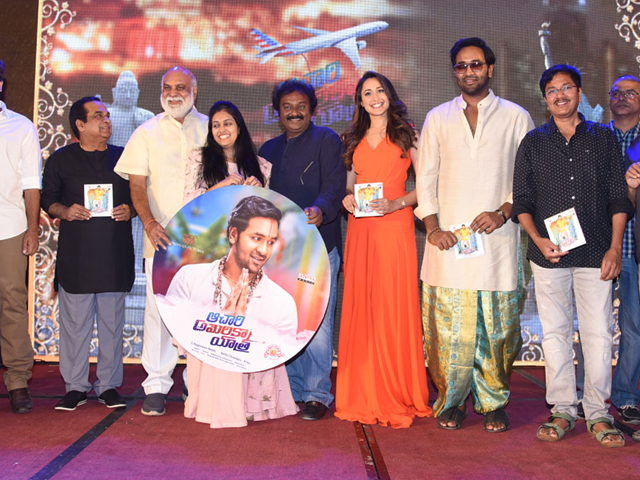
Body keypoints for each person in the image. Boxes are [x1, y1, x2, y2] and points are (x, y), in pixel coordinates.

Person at [416, 38, 534, 432]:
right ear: (455, 71)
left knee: (497, 329)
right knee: (448, 329)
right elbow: (425, 177)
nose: (469, 72)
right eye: (462, 66)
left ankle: (493, 401)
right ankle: (451, 401)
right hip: (448, 243)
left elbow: (527, 178)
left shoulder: (516, 116)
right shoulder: (438, 117)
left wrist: (503, 212)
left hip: (498, 241)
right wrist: (432, 228)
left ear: (490, 69)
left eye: (476, 64)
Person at [513, 64, 633, 448]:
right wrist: (538, 239)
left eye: (567, 88)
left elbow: (619, 197)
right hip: (548, 256)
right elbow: (522, 202)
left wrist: (614, 248)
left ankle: (598, 413)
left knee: (598, 336)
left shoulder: (603, 138)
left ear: (579, 93)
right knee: (556, 334)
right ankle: (563, 409)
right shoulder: (533, 142)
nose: (560, 95)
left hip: (597, 252)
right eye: (552, 90)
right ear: (545, 98)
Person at [337, 71, 431, 428]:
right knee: (364, 303)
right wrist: (347, 198)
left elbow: (426, 186)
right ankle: (362, 388)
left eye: (379, 91)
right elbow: (350, 184)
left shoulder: (408, 134)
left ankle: (395, 388)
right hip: (361, 229)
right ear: (360, 101)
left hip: (394, 226)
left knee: (391, 304)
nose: (374, 97)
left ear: (389, 95)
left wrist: (396, 203)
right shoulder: (353, 138)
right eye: (367, 93)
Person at [114, 66, 208, 416]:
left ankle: (197, 382)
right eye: (167, 87)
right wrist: (150, 223)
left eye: (181, 87)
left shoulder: (212, 127)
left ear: (194, 91)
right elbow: (136, 185)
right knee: (159, 311)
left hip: (205, 240)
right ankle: (156, 383)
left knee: (201, 309)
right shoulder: (146, 132)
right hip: (161, 237)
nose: (173, 93)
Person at [163, 196, 299, 428]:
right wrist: (219, 322)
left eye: (270, 242)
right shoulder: (190, 278)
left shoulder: (283, 302)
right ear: (233, 234)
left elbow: (275, 352)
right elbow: (179, 331)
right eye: (256, 238)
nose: (263, 250)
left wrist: (244, 326)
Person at [259, 80, 346, 421]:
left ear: (312, 110)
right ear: (277, 112)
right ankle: (293, 388)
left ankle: (316, 393)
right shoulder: (268, 149)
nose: (294, 112)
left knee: (317, 321)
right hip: (279, 251)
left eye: (301, 106)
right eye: (287, 107)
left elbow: (335, 185)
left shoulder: (327, 140)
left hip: (319, 245)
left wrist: (320, 208)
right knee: (286, 319)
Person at [41, 97, 135, 410]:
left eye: (107, 115)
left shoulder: (124, 158)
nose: (106, 120)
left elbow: (141, 197)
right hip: (76, 258)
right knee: (74, 327)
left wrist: (131, 210)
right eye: (98, 116)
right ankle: (76, 386)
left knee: (112, 326)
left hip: (114, 256)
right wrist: (65, 211)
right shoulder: (60, 160)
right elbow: (48, 200)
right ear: (80, 125)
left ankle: (108, 386)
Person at [0, 58, 41, 413]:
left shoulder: (20, 127)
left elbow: (31, 184)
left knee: (12, 301)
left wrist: (33, 228)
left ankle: (17, 380)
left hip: (9, 227)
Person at [608, 76, 640, 425]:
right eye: (616, 93)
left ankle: (627, 397)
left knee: (635, 327)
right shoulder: (596, 137)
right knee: (595, 327)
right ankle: (587, 394)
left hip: (635, 250)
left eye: (631, 93)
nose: (622, 97)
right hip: (600, 249)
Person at [183, 101, 271, 203]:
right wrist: (222, 186)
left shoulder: (262, 166)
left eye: (227, 124)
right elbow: (187, 204)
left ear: (239, 128)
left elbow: (268, 209)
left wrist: (260, 193)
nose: (221, 130)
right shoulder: (198, 158)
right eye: (216, 125)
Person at [104, 71, 154, 147]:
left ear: (138, 93)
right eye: (123, 91)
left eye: (132, 91)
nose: (128, 96)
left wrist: (144, 128)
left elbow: (156, 145)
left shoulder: (147, 116)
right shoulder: (106, 115)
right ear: (114, 92)